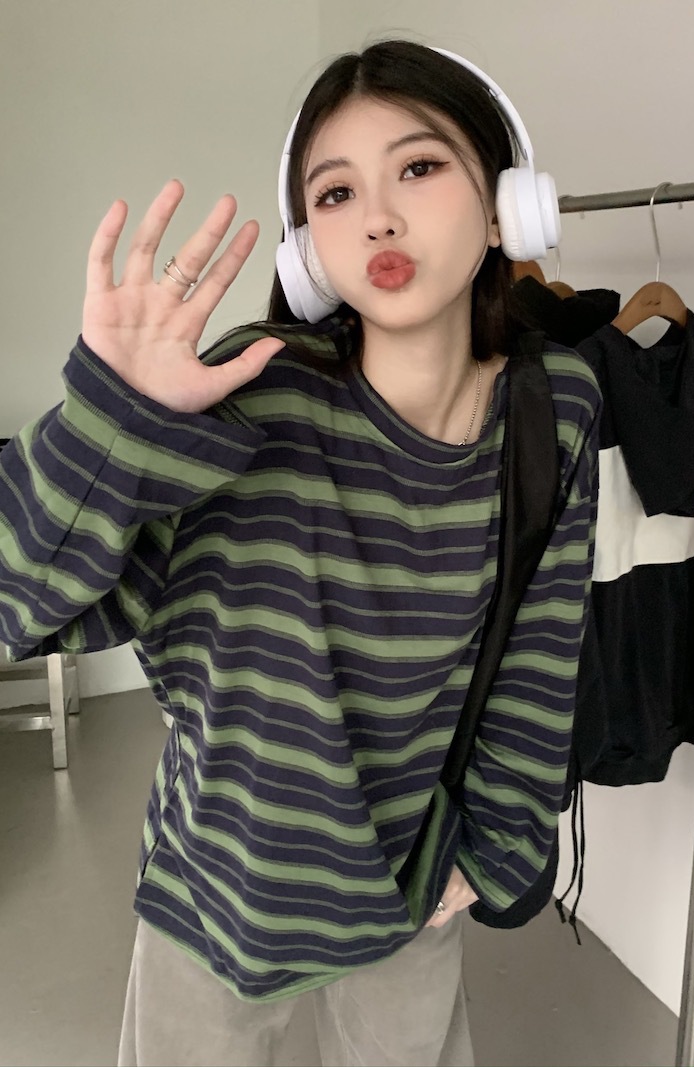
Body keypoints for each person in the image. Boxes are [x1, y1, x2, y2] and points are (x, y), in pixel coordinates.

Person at [0, 40, 600, 1067]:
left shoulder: (555, 409)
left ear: (509, 205)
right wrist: (110, 420)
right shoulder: (252, 398)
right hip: (213, 899)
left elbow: (536, 662)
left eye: (419, 167)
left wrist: (490, 856)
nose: (377, 218)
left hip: (410, 892)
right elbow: (19, 601)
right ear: (309, 249)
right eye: (335, 192)